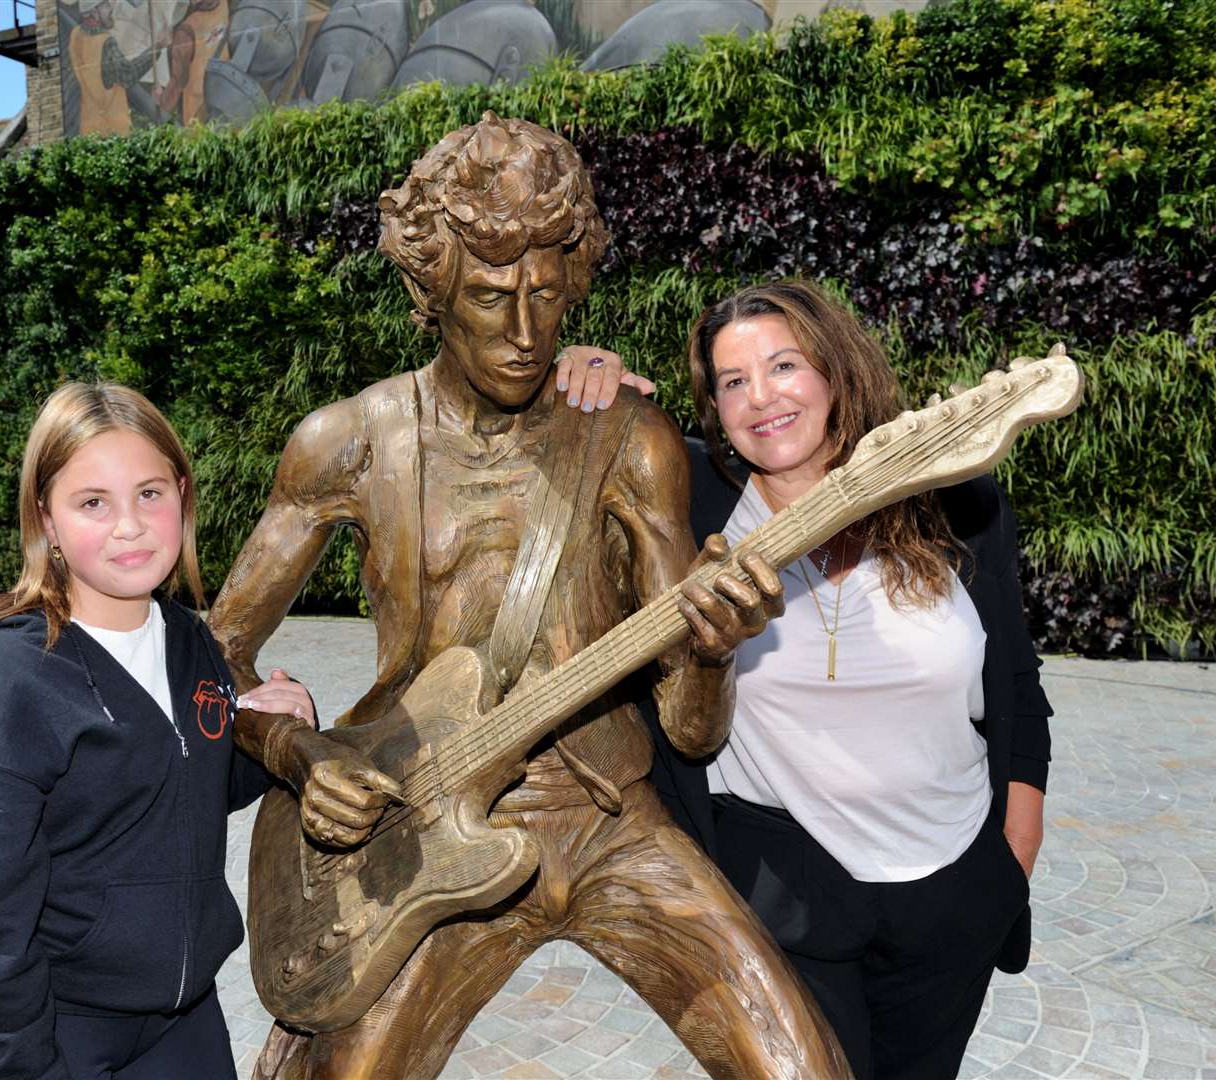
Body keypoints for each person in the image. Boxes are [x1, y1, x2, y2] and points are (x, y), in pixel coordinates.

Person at [211, 113, 848, 1080]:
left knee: (800, 1064)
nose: (523, 333)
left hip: (610, 820)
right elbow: (211, 658)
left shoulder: (628, 439)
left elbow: (690, 733)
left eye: (547, 296)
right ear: (431, 292)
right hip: (429, 833)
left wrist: (712, 652)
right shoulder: (346, 441)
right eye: (487, 296)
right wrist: (295, 753)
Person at [556, 280, 1052, 1080]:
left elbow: (1019, 693)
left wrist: (1010, 859)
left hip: (953, 885)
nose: (762, 398)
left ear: (835, 372)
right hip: (781, 890)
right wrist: (579, 379)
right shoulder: (690, 508)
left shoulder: (954, 503)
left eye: (783, 366)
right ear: (713, 407)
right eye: (732, 382)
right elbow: (530, 446)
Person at [0, 382, 316, 1079]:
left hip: (183, 1026)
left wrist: (268, 730)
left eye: (150, 494)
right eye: (93, 502)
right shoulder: (8, 686)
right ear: (48, 520)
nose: (129, 524)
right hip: (50, 1035)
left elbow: (171, 780)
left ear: (184, 497)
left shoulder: (191, 642)